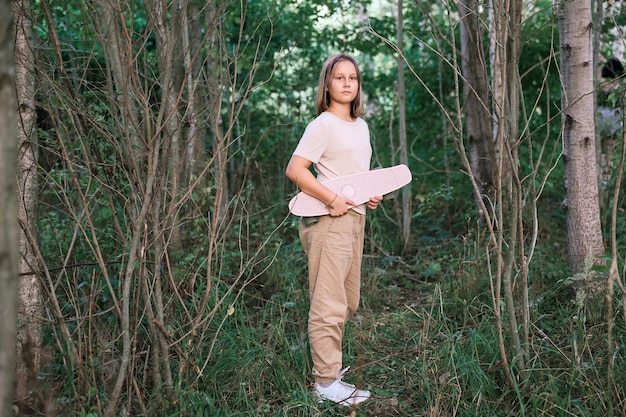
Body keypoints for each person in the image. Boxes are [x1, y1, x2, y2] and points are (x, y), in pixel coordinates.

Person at [285, 53, 383, 406]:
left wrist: (368, 196)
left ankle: (329, 370)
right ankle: (325, 384)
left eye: (353, 78)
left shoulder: (361, 126)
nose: (347, 83)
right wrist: (330, 199)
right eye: (339, 77)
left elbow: (353, 176)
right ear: (327, 83)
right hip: (328, 222)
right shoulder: (322, 125)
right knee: (328, 303)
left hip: (355, 219)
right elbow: (296, 170)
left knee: (348, 301)